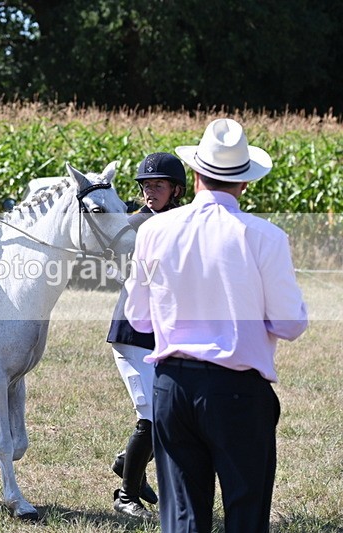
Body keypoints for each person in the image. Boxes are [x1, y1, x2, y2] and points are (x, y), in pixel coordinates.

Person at [124, 118, 308, 532]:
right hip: (238, 390)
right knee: (245, 512)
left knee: (184, 518)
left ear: (194, 175)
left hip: (172, 386)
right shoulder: (266, 237)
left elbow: (138, 317)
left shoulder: (154, 230)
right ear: (244, 183)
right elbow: (289, 324)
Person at [106, 152, 186, 519]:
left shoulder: (182, 223)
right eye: (145, 186)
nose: (150, 191)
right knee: (153, 417)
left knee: (169, 413)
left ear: (176, 190)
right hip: (133, 332)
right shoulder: (135, 226)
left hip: (164, 332)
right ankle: (125, 497)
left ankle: (129, 462)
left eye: (158, 185)